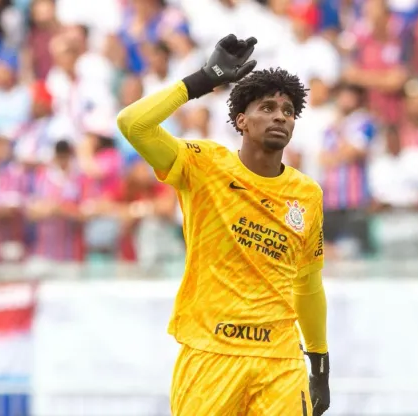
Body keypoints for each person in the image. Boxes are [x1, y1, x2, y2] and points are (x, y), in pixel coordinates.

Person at [117, 35, 330, 416]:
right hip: (210, 355)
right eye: (267, 107)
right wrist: (203, 79)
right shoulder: (204, 165)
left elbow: (308, 284)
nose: (280, 115)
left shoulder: (307, 193)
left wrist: (319, 362)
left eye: (288, 110)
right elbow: (133, 124)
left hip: (280, 360)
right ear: (241, 121)